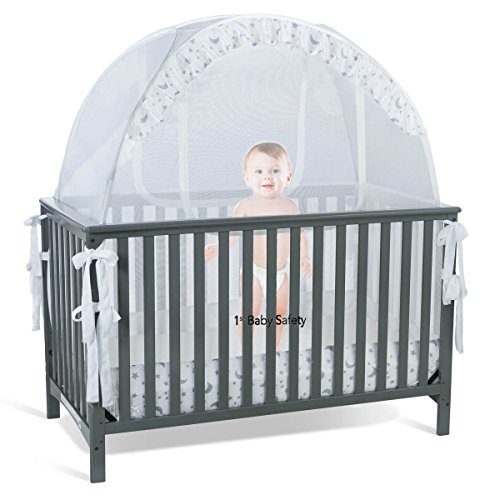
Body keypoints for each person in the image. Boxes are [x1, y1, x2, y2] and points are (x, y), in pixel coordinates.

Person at [205, 142, 312, 350]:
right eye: (259, 171)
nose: (267, 177)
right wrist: (217, 248)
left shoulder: (290, 207)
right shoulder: (245, 207)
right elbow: (233, 235)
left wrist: (303, 257)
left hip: (281, 272)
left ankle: (275, 346)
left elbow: (299, 236)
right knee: (250, 311)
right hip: (253, 272)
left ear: (288, 177)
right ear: (247, 177)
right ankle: (246, 348)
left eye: (275, 171)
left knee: (280, 311)